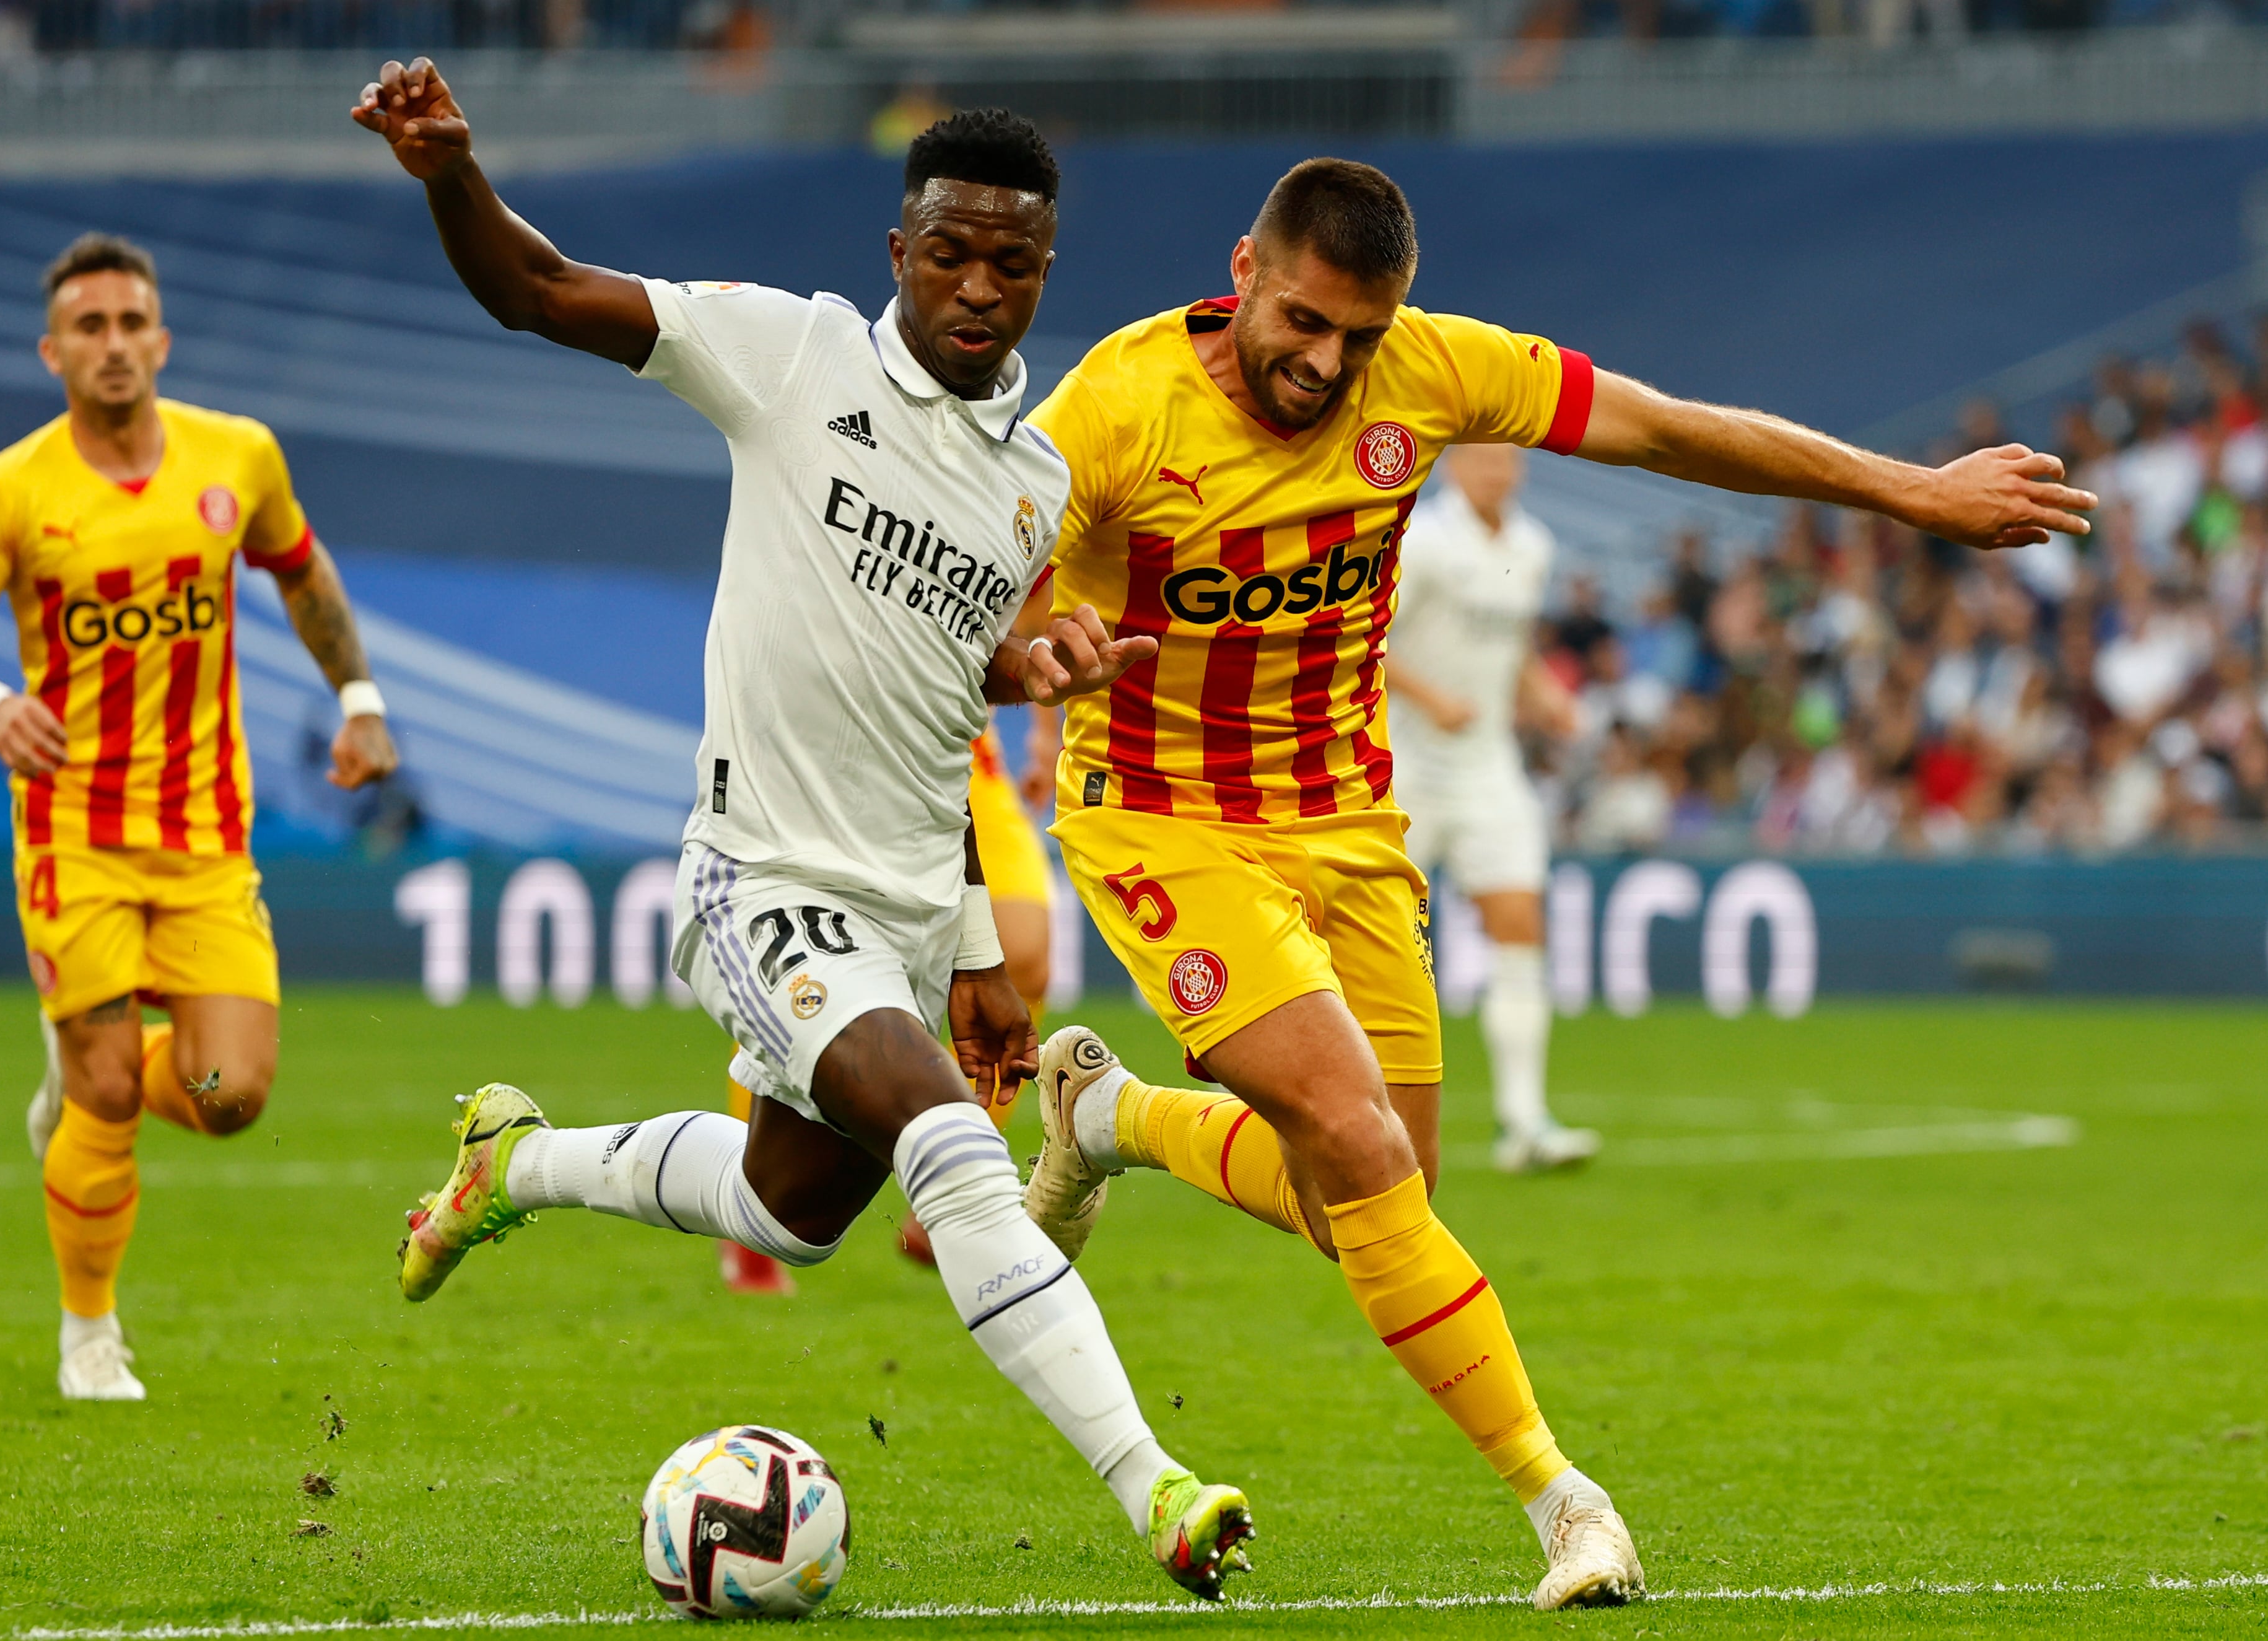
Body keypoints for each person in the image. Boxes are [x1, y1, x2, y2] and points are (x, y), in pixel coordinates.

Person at [1016, 157, 2093, 1609]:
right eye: (1303, 323)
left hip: (1346, 816)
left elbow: (1664, 428)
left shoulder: (1430, 368)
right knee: (1360, 1145)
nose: (1325, 363)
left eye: (1356, 335)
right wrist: (1032, 647)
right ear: (1244, 272)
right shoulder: (1112, 402)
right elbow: (983, 583)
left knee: (1370, 1202)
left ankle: (1109, 1114)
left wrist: (1908, 492)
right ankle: (1562, 1498)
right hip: (1159, 817)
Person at [354, 66, 1255, 1599]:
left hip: (906, 898)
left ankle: (515, 1163)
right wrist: (451, 171)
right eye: (950, 251)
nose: (979, 286)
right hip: (760, 872)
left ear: (1044, 271)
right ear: (897, 248)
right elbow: (539, 288)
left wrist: (977, 901)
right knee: (954, 1151)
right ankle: (1153, 1483)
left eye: (1012, 261)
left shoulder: (1031, 486)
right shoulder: (786, 352)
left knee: (793, 1206)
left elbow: (943, 691)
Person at [0, 233, 400, 1402]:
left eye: (133, 323)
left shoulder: (239, 455)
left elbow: (303, 573)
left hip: (202, 834)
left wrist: (362, 700)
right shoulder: (8, 488)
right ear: (53, 351)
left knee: (233, 1097)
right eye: (90, 326)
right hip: (71, 830)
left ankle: (83, 1078)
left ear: (162, 341)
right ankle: (90, 1333)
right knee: (113, 1090)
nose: (115, 343)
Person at [718, 726, 1053, 1288]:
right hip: (853, 737)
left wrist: (1046, 732)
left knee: (1023, 952)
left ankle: (956, 1192)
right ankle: (748, 1210)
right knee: (804, 958)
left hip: (961, 745)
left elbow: (1037, 634)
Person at [1390, 443, 1598, 1173]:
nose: (1497, 474)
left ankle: (1525, 1122)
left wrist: (1544, 697)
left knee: (1519, 925)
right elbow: (1366, 640)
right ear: (1454, 467)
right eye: (1483, 462)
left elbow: (1512, 651)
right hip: (1402, 769)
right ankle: (1357, 1115)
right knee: (1379, 944)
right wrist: (1432, 699)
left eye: (1508, 463)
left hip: (1486, 768)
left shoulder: (1531, 547)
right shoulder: (1421, 542)